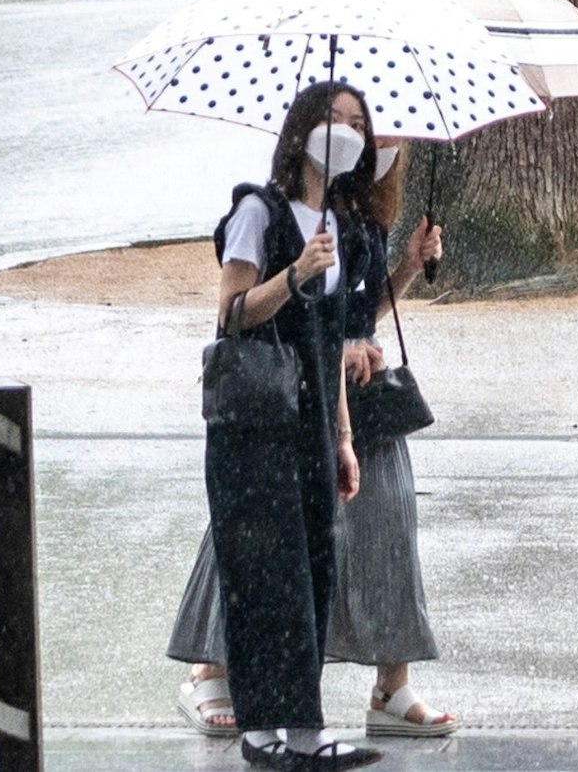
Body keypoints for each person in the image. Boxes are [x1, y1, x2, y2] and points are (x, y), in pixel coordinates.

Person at [172, 126, 452, 740]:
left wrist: (406, 267)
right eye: (368, 131)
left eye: (389, 136)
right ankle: (210, 664)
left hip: (359, 393)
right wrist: (334, 337)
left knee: (388, 518)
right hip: (291, 389)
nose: (381, 146)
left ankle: (391, 682)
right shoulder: (285, 212)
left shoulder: (366, 219)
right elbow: (257, 309)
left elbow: (357, 312)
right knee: (262, 524)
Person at [199, 81, 385, 772]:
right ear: (302, 128)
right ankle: (260, 727)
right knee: (258, 572)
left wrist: (342, 435)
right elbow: (232, 309)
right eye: (332, 118)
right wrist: (296, 272)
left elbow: (330, 340)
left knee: (312, 570)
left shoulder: (343, 224)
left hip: (309, 425)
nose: (345, 131)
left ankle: (305, 727)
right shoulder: (259, 209)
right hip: (252, 423)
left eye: (357, 123)